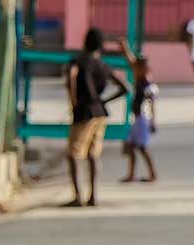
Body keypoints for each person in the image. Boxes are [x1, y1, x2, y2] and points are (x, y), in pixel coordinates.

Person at [64, 29, 129, 207]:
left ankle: (77, 196)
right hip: (100, 113)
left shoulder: (78, 62)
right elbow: (125, 88)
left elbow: (71, 77)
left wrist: (74, 101)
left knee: (74, 154)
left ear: (85, 42)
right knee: (93, 154)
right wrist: (103, 101)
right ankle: (93, 196)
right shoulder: (103, 65)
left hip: (84, 112)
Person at [121, 55, 159, 183]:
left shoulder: (148, 85)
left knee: (142, 147)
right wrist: (125, 49)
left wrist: (153, 121)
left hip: (143, 119)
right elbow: (132, 62)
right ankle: (131, 174)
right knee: (131, 146)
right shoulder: (140, 79)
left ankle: (152, 174)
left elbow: (152, 105)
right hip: (136, 118)